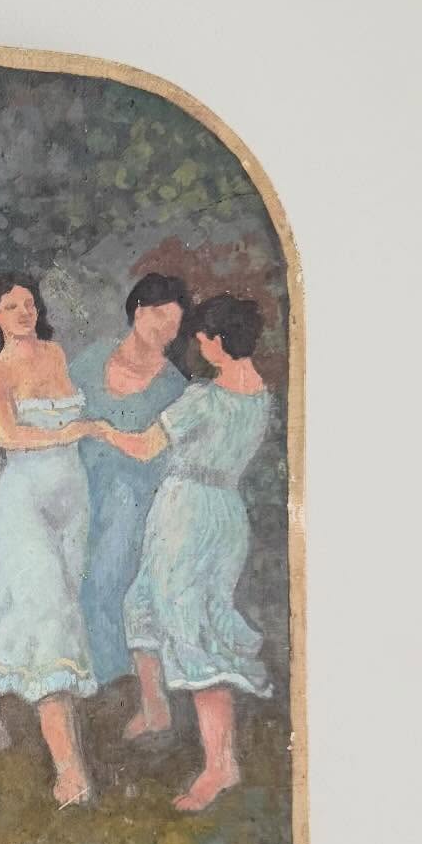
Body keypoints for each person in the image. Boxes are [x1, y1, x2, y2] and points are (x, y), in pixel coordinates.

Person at [96, 294, 274, 812]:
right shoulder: (260, 395)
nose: (197, 342)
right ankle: (156, 710)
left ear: (218, 341)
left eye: (203, 336)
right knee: (142, 604)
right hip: (223, 511)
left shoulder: (206, 398)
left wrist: (99, 426)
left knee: (191, 627)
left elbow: (146, 446)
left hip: (189, 514)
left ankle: (221, 764)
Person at [0, 272, 118, 807]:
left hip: (72, 499)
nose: (24, 312)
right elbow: (7, 434)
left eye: (29, 303)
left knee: (30, 607)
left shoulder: (55, 354)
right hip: (23, 502)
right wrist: (73, 430)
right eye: (11, 306)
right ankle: (70, 771)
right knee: (48, 611)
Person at [70, 273, 191, 688]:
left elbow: (158, 452)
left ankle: (114, 680)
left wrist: (102, 431)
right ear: (138, 311)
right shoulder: (94, 359)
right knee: (66, 575)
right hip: (78, 484)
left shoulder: (173, 386)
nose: (166, 331)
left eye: (173, 325)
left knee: (107, 581)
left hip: (132, 498)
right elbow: (61, 408)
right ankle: (74, 672)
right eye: (160, 318)